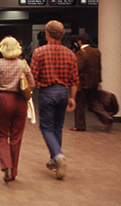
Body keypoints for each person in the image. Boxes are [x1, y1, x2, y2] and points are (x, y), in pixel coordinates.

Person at [30, 20, 79, 180]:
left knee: (46, 128)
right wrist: (72, 97)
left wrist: (27, 95)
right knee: (58, 127)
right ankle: (53, 160)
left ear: (47, 33)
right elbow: (74, 80)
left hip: (47, 92)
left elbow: (33, 77)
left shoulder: (39, 52)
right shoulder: (70, 53)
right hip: (64, 92)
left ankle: (58, 156)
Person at [0, 37, 35, 182]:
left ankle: (6, 163)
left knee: (1, 134)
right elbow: (32, 83)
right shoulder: (23, 63)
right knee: (16, 137)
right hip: (20, 102)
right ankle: (13, 172)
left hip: (4, 100)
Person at [71, 32, 113, 132]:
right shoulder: (96, 51)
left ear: (80, 41)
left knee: (80, 103)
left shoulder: (81, 52)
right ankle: (106, 117)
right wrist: (99, 81)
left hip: (83, 82)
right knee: (93, 103)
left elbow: (79, 67)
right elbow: (99, 67)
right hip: (94, 82)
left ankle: (80, 126)